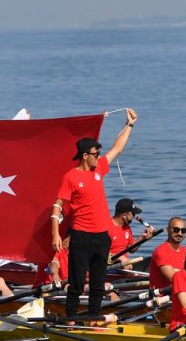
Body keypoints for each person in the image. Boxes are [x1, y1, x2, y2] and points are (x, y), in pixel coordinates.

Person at [50, 108, 138, 320]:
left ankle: (92, 318)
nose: (99, 157)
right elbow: (57, 205)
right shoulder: (71, 177)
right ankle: (71, 319)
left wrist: (130, 125)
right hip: (81, 237)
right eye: (96, 154)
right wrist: (55, 234)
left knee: (98, 284)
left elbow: (117, 149)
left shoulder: (98, 169)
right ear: (85, 155)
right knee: (78, 283)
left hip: (102, 237)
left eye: (99, 154)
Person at [108, 198, 154, 270]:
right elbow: (100, 252)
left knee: (153, 260)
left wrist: (143, 237)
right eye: (133, 213)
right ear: (124, 215)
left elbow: (131, 250)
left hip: (126, 266)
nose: (134, 216)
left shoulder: (127, 228)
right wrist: (120, 258)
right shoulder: (107, 227)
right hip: (111, 267)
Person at [148, 217, 186, 290]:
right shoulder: (161, 251)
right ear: (168, 230)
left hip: (181, 293)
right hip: (162, 297)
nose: (180, 233)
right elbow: (174, 279)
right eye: (176, 230)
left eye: (183, 230)